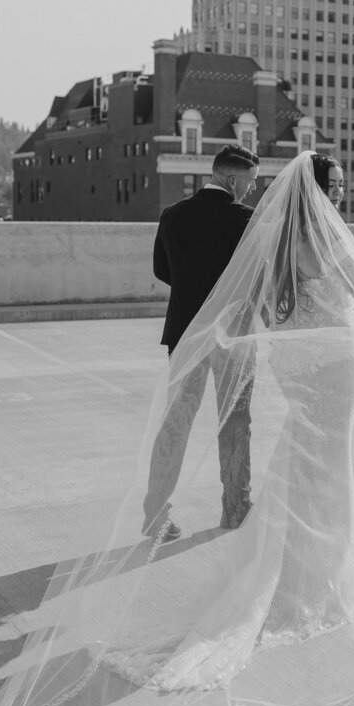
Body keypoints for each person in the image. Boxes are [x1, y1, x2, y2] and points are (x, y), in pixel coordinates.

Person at [0, 151, 354, 706]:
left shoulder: (258, 236)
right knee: (289, 451)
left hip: (250, 352)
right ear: (315, 192)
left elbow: (218, 287)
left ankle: (184, 521)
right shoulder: (309, 233)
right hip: (329, 365)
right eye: (341, 188)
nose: (345, 197)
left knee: (250, 445)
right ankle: (280, 547)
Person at [144, 144, 259, 538]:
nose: (252, 190)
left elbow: (163, 269)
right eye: (250, 182)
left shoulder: (172, 215)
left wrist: (194, 292)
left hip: (185, 334)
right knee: (235, 423)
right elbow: (254, 279)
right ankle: (235, 508)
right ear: (232, 179)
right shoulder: (246, 219)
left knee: (175, 425)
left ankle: (155, 516)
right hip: (233, 337)